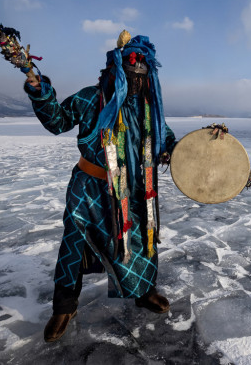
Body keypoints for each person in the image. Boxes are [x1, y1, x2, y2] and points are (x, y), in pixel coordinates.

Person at [23, 31, 176, 342]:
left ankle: (143, 291)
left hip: (130, 190)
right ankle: (64, 307)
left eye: (141, 74)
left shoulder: (149, 109)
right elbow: (57, 121)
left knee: (139, 240)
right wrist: (39, 90)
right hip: (88, 187)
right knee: (74, 244)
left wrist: (202, 145)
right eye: (131, 73)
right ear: (116, 70)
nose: (136, 79)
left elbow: (167, 142)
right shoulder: (91, 98)